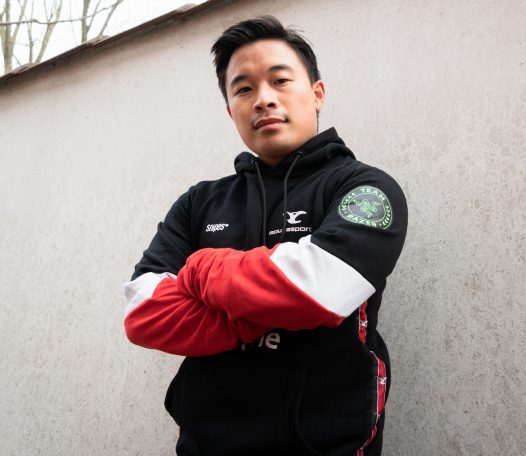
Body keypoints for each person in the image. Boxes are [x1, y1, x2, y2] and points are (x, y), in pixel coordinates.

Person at [122, 16, 407, 456]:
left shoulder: (365, 188)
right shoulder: (199, 202)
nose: (263, 99)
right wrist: (269, 303)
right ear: (230, 110)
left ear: (317, 93)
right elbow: (143, 312)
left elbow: (319, 289)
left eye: (280, 80)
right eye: (243, 89)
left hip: (326, 445)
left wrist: (201, 269)